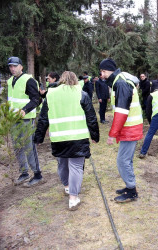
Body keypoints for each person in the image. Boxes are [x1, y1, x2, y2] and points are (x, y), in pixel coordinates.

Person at [34, 71, 99, 210]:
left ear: (61, 80)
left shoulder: (51, 95)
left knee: (62, 164)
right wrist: (95, 136)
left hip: (59, 137)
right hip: (78, 138)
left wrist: (39, 137)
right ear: (75, 80)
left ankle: (67, 187)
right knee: (75, 167)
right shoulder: (81, 93)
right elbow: (91, 117)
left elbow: (43, 118)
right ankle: (73, 198)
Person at [99, 58, 143, 202]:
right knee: (126, 160)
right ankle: (130, 187)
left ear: (107, 71)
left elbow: (122, 112)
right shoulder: (120, 80)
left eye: (102, 72)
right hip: (130, 128)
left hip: (130, 128)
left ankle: (131, 191)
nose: (102, 75)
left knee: (122, 160)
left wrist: (112, 134)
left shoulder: (121, 83)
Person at [6, 56, 44, 187]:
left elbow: (36, 99)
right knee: (17, 147)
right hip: (13, 119)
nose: (13, 68)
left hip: (26, 119)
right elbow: (11, 100)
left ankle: (37, 174)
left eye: (15, 66)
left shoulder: (29, 80)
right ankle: (24, 173)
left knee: (29, 147)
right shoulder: (10, 81)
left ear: (21, 67)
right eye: (10, 66)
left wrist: (24, 110)